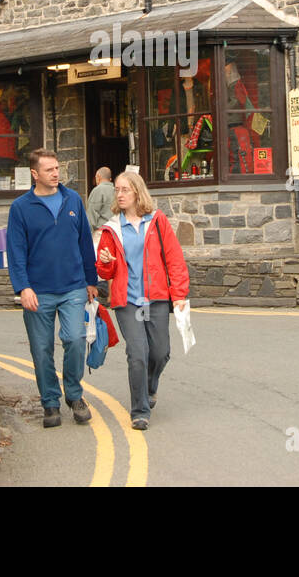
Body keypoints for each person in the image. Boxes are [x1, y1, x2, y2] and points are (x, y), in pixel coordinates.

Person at [5, 148, 99, 428]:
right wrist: (23, 287)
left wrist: (91, 280)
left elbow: (85, 242)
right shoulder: (20, 208)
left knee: (74, 339)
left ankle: (74, 394)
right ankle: (50, 402)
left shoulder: (72, 200)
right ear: (35, 174)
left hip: (72, 286)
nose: (56, 173)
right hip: (38, 291)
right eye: (49, 170)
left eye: (57, 168)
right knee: (41, 349)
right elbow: (16, 251)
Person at [95, 171, 190, 430]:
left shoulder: (157, 221)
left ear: (137, 191)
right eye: (117, 190)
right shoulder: (111, 228)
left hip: (156, 298)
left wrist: (179, 293)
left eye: (125, 189)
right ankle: (140, 410)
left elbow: (174, 260)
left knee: (160, 352)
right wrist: (104, 263)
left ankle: (149, 388)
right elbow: (105, 272)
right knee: (137, 353)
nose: (120, 194)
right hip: (127, 301)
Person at [86, 166, 114, 248]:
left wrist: (87, 236)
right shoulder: (117, 190)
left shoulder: (97, 190)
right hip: (115, 232)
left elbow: (92, 216)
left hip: (101, 233)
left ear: (98, 177)